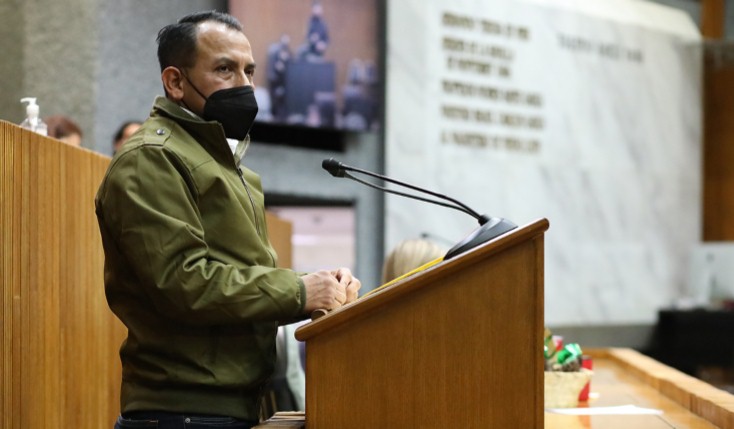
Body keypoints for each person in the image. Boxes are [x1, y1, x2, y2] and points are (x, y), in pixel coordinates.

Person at [95, 11, 360, 429]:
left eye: (249, 71)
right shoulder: (152, 158)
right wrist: (299, 290)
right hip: (182, 411)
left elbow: (242, 283)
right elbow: (184, 283)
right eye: (224, 69)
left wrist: (322, 287)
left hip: (231, 405)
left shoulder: (229, 166)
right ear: (176, 81)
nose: (244, 84)